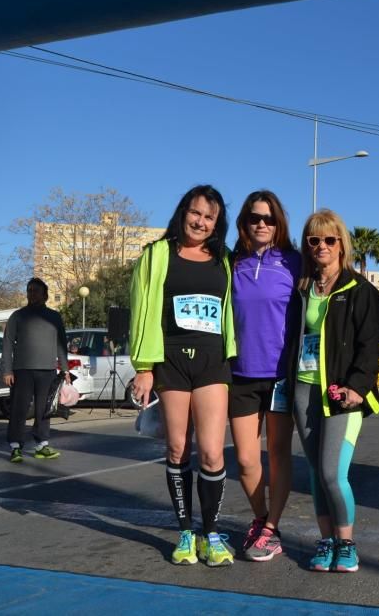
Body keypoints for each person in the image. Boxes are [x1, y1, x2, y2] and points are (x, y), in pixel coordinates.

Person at [130, 184, 236, 568]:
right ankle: (185, 533)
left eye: (210, 217)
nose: (201, 222)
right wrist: (143, 367)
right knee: (176, 448)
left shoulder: (222, 259)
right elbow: (142, 310)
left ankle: (211, 533)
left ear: (217, 223)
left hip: (211, 362)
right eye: (196, 213)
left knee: (211, 452)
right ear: (182, 212)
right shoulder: (156, 255)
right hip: (170, 361)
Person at [288, 209, 379, 573]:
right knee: (314, 472)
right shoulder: (303, 288)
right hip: (304, 390)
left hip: (342, 394)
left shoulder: (361, 291)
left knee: (332, 473)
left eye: (330, 239)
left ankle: (347, 544)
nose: (321, 246)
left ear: (342, 244)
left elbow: (370, 346)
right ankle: (326, 541)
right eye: (314, 240)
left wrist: (358, 386)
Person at [229, 190, 301, 562]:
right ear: (245, 221)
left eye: (269, 218)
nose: (262, 224)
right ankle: (259, 519)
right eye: (255, 217)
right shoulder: (232, 262)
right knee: (244, 459)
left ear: (279, 224)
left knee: (278, 455)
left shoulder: (293, 262)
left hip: (280, 377)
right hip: (239, 374)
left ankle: (271, 528)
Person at [1, 277, 69, 463]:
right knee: (19, 409)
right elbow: (7, 344)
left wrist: (65, 369)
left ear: (45, 295)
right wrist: (7, 370)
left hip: (47, 371)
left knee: (44, 409)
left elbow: (61, 344)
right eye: (29, 290)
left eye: (36, 291)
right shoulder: (18, 316)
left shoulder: (55, 317)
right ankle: (15, 447)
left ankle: (42, 445)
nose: (32, 294)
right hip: (22, 370)